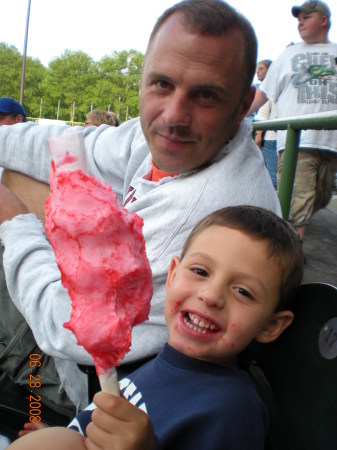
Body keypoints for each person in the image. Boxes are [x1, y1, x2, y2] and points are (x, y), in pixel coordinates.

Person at [0, 0, 281, 412]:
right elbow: (72, 146)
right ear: (144, 79)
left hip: (91, 385)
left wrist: (14, 222)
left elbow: (67, 330)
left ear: (243, 107)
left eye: (205, 95)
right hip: (82, 327)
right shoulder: (165, 140)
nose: (173, 116)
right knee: (19, 173)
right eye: (162, 84)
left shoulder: (208, 215)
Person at [7, 205, 304, 450]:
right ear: (173, 275)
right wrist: (76, 431)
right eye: (200, 271)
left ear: (271, 325)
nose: (211, 295)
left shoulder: (233, 414)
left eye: (243, 292)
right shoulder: (166, 362)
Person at [248, 0, 337, 241]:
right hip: (297, 141)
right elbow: (263, 93)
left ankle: (283, 237)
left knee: (320, 198)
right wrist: (239, 115)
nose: (300, 23)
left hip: (330, 142)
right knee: (298, 206)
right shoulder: (289, 54)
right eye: (298, 19)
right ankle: (291, 254)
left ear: (323, 20)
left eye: (305, 17)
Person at [253, 60, 278, 189]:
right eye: (257, 68)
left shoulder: (270, 87)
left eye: (261, 68)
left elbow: (262, 114)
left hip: (271, 137)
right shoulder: (263, 88)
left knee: (273, 177)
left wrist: (259, 134)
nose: (258, 71)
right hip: (270, 137)